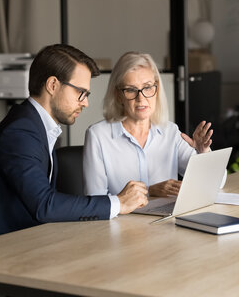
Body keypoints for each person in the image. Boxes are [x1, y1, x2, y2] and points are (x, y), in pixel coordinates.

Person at [0, 44, 148, 235]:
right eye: (81, 93)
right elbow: (44, 205)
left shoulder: (35, 125)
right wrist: (118, 202)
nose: (85, 102)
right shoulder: (20, 132)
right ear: (53, 85)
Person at [83, 51, 227, 197]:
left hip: (167, 219)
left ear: (156, 90)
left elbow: (217, 182)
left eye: (147, 87)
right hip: (121, 220)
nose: (141, 98)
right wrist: (149, 191)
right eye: (131, 90)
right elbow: (95, 200)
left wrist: (203, 153)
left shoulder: (170, 131)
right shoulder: (98, 135)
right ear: (118, 95)